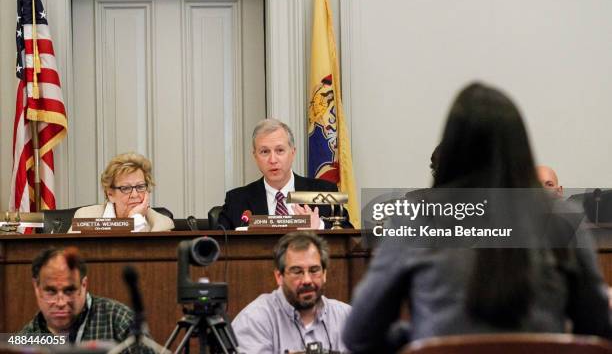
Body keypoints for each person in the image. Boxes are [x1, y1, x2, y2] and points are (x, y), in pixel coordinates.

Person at [343, 82, 612, 353]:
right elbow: (597, 327)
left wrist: (420, 340)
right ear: (520, 149)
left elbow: (359, 335)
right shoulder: (562, 219)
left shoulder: (415, 220)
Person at [218, 118, 351, 230]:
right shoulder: (236, 200)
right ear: (255, 157)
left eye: (280, 150)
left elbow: (350, 236)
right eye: (264, 152)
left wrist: (320, 226)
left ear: (292, 153)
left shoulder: (325, 192)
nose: (273, 160)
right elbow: (217, 245)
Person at [232, 231, 351, 353]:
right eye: (297, 271)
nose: (307, 280)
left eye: (314, 270)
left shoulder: (347, 317)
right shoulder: (254, 320)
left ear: (324, 274)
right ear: (279, 276)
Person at [21, 247, 135, 344]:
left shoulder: (119, 321)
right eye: (51, 291)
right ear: (37, 287)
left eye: (69, 290)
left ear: (84, 285)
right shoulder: (25, 340)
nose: (61, 303)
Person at [72, 152, 174, 232]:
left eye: (140, 186)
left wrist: (135, 219)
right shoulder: (86, 217)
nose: (134, 195)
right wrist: (132, 223)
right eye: (125, 188)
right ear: (110, 194)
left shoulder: (161, 224)